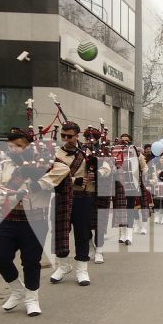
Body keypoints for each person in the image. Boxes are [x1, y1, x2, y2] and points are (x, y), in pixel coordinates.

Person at [0, 127, 65, 316]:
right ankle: (17, 289)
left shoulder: (44, 163)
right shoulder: (4, 165)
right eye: (11, 146)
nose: (13, 149)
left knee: (31, 261)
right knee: (0, 257)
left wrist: (37, 183)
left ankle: (32, 299)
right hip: (8, 217)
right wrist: (4, 193)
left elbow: (63, 170)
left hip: (35, 219)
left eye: (19, 145)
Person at [47, 122, 98, 287]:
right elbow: (50, 176)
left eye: (70, 136)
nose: (66, 139)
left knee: (82, 233)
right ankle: (63, 266)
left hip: (82, 197)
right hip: (61, 196)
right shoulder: (55, 153)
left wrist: (97, 171)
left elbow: (105, 169)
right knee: (60, 232)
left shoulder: (87, 152)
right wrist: (76, 179)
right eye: (63, 135)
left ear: (77, 136)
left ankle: (82, 269)